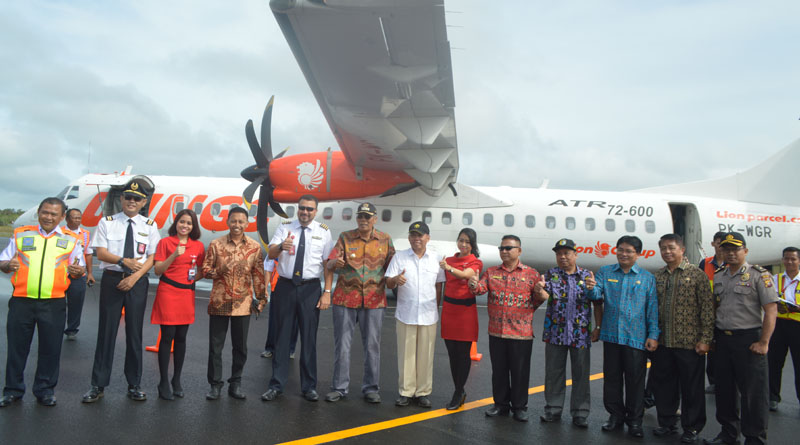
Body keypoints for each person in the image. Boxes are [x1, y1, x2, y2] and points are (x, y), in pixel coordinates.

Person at [0, 197, 85, 407]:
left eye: (54, 214)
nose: (48, 217)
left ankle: (45, 390)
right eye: (45, 212)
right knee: (17, 349)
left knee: (51, 349)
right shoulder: (22, 234)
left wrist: (78, 271)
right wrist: (6, 265)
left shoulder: (71, 239)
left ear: (62, 217)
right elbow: (3, 261)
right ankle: (12, 390)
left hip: (53, 303)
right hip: (22, 301)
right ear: (39, 212)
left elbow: (80, 268)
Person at [82, 178, 160, 403]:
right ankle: (97, 384)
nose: (131, 201)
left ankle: (134, 384)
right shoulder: (107, 222)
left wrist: (134, 277)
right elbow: (101, 253)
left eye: (136, 198)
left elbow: (153, 257)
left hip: (137, 283)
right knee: (106, 332)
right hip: (112, 280)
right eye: (128, 197)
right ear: (122, 199)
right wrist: (124, 262)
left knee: (135, 334)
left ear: (143, 202)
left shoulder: (150, 226)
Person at [704, 232, 777, 445]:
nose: (731, 253)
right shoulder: (719, 275)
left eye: (735, 249)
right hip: (723, 340)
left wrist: (764, 342)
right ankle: (728, 434)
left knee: (753, 393)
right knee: (724, 390)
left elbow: (770, 311)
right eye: (726, 249)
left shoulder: (759, 275)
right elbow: (715, 308)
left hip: (749, 339)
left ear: (745, 251)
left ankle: (754, 437)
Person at [262, 195, 333, 403]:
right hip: (285, 286)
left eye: (310, 209)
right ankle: (276, 385)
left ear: (315, 211)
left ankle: (309, 386)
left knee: (309, 339)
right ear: (297, 209)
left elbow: (328, 264)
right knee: (281, 338)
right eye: (302, 208)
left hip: (310, 288)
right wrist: (281, 246)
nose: (305, 212)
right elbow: (271, 253)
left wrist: (327, 292)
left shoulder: (324, 232)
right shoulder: (285, 228)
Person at [469, 235, 547, 422]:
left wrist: (539, 293)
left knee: (520, 372)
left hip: (521, 334)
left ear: (519, 251)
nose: (504, 251)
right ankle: (500, 405)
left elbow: (539, 299)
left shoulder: (531, 274)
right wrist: (472, 284)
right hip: (497, 331)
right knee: (499, 371)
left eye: (508, 248)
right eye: (501, 248)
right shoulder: (492, 272)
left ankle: (519, 407)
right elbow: (480, 289)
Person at [324, 202, 395, 404]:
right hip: (345, 299)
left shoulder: (385, 240)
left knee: (372, 346)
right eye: (360, 216)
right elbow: (329, 263)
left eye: (367, 216)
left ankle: (371, 388)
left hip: (374, 300)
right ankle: (339, 387)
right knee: (342, 346)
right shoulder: (345, 238)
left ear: (375, 219)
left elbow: (393, 267)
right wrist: (333, 263)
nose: (363, 220)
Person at [592, 235, 659, 438]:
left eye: (629, 251)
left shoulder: (647, 278)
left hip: (636, 339)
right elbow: (596, 295)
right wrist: (589, 288)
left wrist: (653, 334)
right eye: (620, 249)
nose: (623, 254)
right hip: (612, 337)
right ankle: (615, 416)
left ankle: (635, 421)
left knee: (635, 382)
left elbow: (652, 310)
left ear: (638, 254)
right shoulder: (605, 272)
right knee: (611, 379)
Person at [652, 234, 714, 444]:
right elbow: (652, 309)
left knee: (692, 389)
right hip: (663, 342)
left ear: (682, 249)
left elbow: (707, 308)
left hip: (689, 344)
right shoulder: (658, 276)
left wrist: (706, 338)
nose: (667, 252)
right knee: (664, 386)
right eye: (663, 249)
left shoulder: (697, 275)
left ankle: (692, 428)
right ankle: (667, 423)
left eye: (671, 248)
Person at [201, 206, 266, 401]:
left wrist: (261, 299)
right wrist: (220, 270)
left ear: (247, 224)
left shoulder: (254, 247)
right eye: (233, 221)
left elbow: (258, 276)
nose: (237, 225)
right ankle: (215, 385)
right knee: (215, 347)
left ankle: (235, 383)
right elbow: (205, 270)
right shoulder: (216, 244)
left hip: (243, 304)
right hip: (219, 302)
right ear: (228, 222)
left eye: (241, 222)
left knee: (240, 347)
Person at [539, 238, 600, 428]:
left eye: (566, 253)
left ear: (576, 254)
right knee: (554, 374)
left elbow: (597, 301)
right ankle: (553, 409)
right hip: (555, 333)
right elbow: (544, 297)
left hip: (580, 334)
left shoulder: (586, 276)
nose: (563, 257)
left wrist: (598, 327)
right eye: (559, 254)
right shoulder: (550, 275)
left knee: (581, 375)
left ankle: (580, 413)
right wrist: (539, 291)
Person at [386, 221, 445, 409]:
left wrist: (436, 307)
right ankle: (405, 392)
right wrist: (395, 280)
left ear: (428, 238)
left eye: (420, 235)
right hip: (406, 313)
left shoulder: (436, 259)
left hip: (428, 315)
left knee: (426, 356)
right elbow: (388, 283)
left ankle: (423, 392)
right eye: (413, 235)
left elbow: (438, 286)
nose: (416, 239)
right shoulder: (399, 257)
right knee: (406, 355)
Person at [150, 209, 205, 400]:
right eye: (182, 222)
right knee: (168, 336)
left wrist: (190, 281)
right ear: (176, 223)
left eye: (189, 223)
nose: (185, 226)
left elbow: (201, 270)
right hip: (168, 291)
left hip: (186, 294)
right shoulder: (165, 243)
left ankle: (177, 380)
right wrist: (174, 255)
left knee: (181, 337)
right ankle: (163, 381)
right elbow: (158, 270)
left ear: (193, 227)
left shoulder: (197, 246)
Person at [439, 228, 483, 410]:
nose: (463, 244)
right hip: (449, 310)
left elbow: (466, 275)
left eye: (467, 241)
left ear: (472, 244)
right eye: (461, 240)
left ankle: (459, 390)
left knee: (463, 354)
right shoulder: (448, 259)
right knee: (452, 353)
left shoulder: (475, 262)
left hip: (465, 311)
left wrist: (449, 268)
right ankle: (458, 389)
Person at [768, 246, 800, 412]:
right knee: (774, 362)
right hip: (779, 324)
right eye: (786, 258)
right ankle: (772, 397)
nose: (789, 262)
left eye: (793, 259)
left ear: (799, 261)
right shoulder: (776, 278)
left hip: (798, 325)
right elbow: (769, 298)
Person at [698, 231, 726, 394]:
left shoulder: (732, 264)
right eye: (718, 243)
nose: (721, 246)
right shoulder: (705, 263)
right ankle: (714, 381)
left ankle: (725, 381)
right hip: (708, 312)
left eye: (724, 244)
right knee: (711, 347)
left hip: (725, 311)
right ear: (713, 244)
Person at [62, 208, 95, 340]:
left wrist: (90, 273)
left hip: (78, 274)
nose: (77, 220)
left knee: (76, 303)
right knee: (58, 303)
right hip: (62, 272)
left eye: (79, 218)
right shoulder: (60, 233)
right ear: (67, 219)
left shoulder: (85, 234)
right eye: (74, 218)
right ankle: (56, 326)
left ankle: (72, 329)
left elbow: (88, 253)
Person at [261, 259, 299, 360]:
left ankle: (290, 349)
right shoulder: (277, 247)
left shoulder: (303, 248)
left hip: (297, 288)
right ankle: (270, 348)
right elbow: (268, 268)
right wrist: (265, 288)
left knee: (294, 320)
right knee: (274, 320)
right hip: (277, 288)